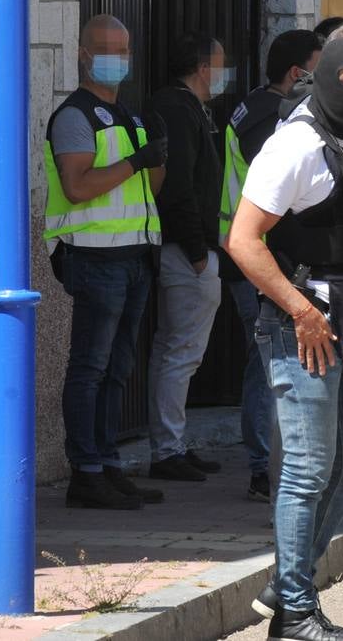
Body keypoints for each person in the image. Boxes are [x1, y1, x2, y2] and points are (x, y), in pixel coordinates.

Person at [227, 26, 343, 641]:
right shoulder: (292, 146)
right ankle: (295, 608)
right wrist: (299, 309)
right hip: (303, 325)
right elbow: (243, 240)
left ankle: (288, 581)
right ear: (320, 80)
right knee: (306, 468)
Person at [45, 14, 167, 510]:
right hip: (93, 259)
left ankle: (108, 463)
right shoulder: (75, 116)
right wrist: (136, 162)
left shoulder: (131, 118)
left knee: (117, 369)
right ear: (83, 53)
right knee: (90, 368)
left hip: (133, 256)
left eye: (124, 49)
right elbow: (77, 188)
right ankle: (86, 472)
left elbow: (148, 189)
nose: (118, 59)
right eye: (106, 49)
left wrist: (156, 158)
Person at [219, 29, 325, 501]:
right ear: (296, 72)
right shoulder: (270, 119)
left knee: (262, 365)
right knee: (267, 368)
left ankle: (271, 463)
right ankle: (266, 466)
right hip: (261, 256)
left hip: (256, 251)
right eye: (318, 68)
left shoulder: (252, 107)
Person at [146, 33, 229, 483]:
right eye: (219, 65)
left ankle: (170, 443)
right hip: (186, 251)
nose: (223, 73)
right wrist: (198, 252)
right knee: (181, 351)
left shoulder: (187, 109)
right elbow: (179, 187)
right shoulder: (178, 109)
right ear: (202, 68)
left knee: (173, 350)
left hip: (184, 247)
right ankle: (168, 448)